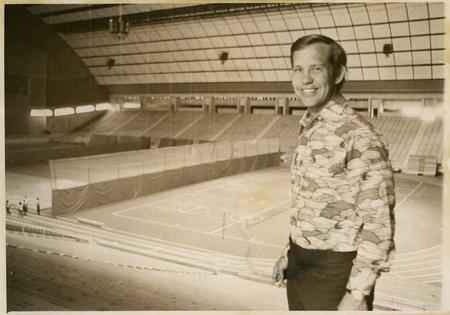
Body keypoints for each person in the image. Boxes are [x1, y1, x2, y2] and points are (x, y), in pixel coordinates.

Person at [272, 34, 396, 311]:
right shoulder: (310, 127)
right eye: (297, 69)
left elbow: (378, 223)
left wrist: (357, 293)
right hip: (300, 266)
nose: (305, 79)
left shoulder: (360, 136)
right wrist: (288, 255)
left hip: (336, 275)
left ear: (338, 73)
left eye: (316, 68)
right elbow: (308, 206)